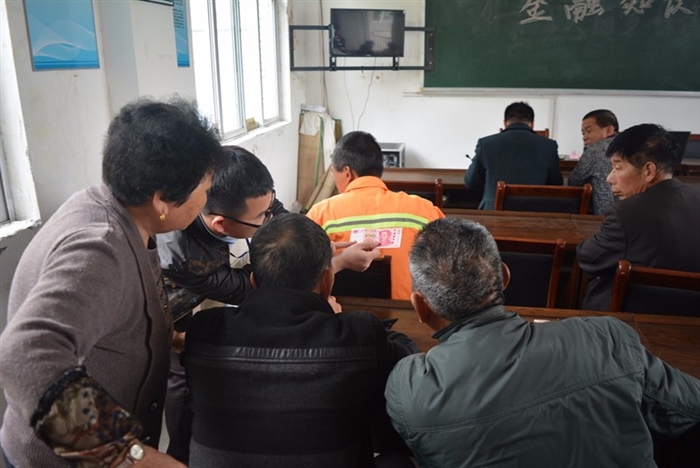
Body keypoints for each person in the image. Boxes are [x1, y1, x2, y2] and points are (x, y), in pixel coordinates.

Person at [0, 97, 224, 468]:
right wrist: (124, 453)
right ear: (161, 200)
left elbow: (107, 312)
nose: (205, 200)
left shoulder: (120, 213)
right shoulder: (99, 249)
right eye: (204, 189)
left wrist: (165, 338)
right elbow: (24, 354)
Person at [385, 217, 700, 468]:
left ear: (420, 306)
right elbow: (688, 408)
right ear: (504, 277)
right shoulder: (606, 337)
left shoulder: (410, 388)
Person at [157, 146, 380, 463]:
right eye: (262, 217)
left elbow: (284, 228)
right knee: (182, 369)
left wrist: (315, 247)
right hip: (174, 301)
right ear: (221, 225)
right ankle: (179, 452)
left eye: (270, 203)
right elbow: (258, 290)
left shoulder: (246, 191)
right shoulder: (186, 258)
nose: (270, 216)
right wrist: (336, 263)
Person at [183, 213, 420, 467]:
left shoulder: (204, 330)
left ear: (253, 281)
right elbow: (409, 361)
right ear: (328, 281)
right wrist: (336, 320)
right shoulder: (358, 334)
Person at [306, 131, 444, 299]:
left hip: (340, 310)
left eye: (334, 173)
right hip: (410, 310)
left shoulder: (320, 214)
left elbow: (302, 275)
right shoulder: (424, 209)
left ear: (347, 172)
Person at [577, 123, 700, 311]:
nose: (610, 178)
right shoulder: (696, 198)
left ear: (649, 171)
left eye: (618, 167)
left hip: (628, 319)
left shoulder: (626, 213)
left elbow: (589, 258)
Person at [464, 101, 563, 209]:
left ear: (505, 123)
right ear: (532, 124)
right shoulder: (549, 146)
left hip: (493, 211)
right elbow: (556, 183)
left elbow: (471, 182)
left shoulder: (486, 144)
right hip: (534, 213)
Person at [568, 109, 619, 214]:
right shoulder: (633, 146)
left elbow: (574, 182)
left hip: (605, 216)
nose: (584, 137)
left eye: (589, 131)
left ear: (609, 130)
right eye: (583, 133)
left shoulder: (594, 151)